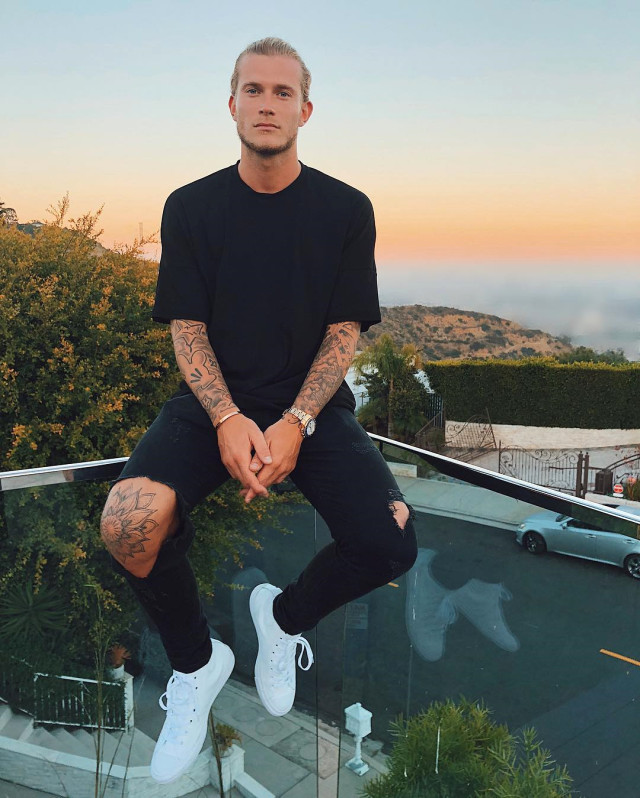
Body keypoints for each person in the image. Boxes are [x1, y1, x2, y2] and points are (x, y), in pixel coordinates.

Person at [99, 36, 417, 785]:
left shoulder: (346, 209)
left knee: (391, 542)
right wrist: (225, 416)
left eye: (282, 92)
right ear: (232, 104)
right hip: (211, 405)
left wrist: (297, 422)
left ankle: (282, 617)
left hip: (313, 408)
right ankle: (196, 664)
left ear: (304, 110)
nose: (267, 104)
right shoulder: (191, 206)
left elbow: (343, 333)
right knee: (126, 522)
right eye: (253, 90)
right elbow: (187, 328)